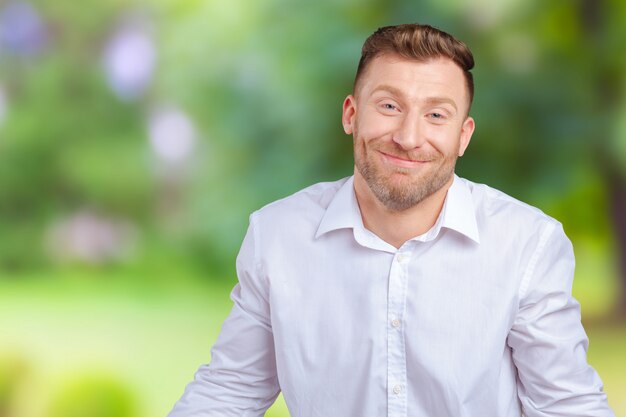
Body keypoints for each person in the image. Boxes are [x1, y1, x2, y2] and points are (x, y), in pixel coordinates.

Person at [168, 23, 614, 417]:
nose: (408, 137)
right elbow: (229, 392)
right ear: (351, 114)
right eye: (388, 106)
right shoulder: (278, 236)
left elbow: (565, 405)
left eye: (436, 115)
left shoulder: (526, 244)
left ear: (463, 136)